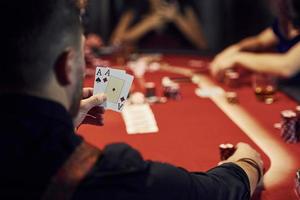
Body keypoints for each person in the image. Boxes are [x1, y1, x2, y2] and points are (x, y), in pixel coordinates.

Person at [0, 0, 263, 199]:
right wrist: (246, 163)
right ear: (68, 67)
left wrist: (64, 123)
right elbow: (213, 193)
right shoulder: (107, 175)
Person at [210, 0, 300, 79]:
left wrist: (237, 58)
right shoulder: (287, 21)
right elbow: (260, 41)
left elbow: (287, 67)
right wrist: (236, 48)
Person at [110, 0, 207, 50]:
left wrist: (177, 18)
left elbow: (202, 44)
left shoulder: (182, 3)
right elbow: (115, 42)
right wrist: (149, 23)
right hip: (141, 63)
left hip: (178, 60)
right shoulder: (135, 4)